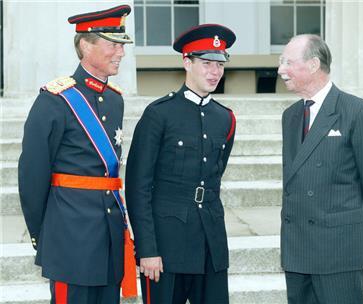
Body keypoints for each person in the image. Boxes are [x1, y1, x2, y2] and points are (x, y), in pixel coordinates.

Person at [18, 5, 136, 303]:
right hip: (70, 238)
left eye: (122, 45)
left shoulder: (114, 100)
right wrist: (43, 233)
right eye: (113, 45)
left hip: (108, 235)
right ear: (85, 45)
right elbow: (32, 176)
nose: (120, 52)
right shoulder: (55, 100)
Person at [125, 24, 236, 304]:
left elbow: (215, 176)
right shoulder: (159, 115)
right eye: (207, 63)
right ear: (187, 62)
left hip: (210, 243)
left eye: (220, 64)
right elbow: (139, 187)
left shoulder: (225, 118)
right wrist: (147, 249)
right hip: (166, 245)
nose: (215, 72)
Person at [278, 34, 363, 304]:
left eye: (288, 62)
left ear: (314, 65)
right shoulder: (291, 116)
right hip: (297, 250)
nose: (281, 69)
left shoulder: (359, 112)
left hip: (339, 251)